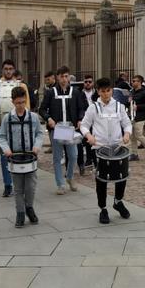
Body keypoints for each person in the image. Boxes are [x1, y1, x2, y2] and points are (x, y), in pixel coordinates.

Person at [80, 77, 133, 225]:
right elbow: (84, 125)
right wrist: (89, 135)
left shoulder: (119, 106)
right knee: (102, 179)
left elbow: (126, 123)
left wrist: (127, 133)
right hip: (100, 148)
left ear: (112, 90)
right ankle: (103, 208)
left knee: (121, 175)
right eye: (103, 91)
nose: (106, 94)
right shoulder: (93, 108)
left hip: (117, 147)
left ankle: (118, 201)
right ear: (98, 91)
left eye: (108, 91)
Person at [0, 86, 43, 228]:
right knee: (18, 188)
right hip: (15, 157)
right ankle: (20, 213)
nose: (20, 105)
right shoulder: (7, 118)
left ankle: (29, 207)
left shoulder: (33, 117)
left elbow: (39, 134)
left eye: (23, 102)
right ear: (13, 102)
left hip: (30, 156)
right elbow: (2, 136)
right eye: (18, 103)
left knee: (31, 186)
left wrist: (37, 146)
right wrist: (6, 149)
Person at [0, 60, 30, 197]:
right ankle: (7, 184)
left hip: (19, 125)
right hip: (0, 126)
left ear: (14, 70)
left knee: (19, 154)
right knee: (5, 156)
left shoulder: (21, 86)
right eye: (6, 69)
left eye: (11, 69)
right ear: (2, 70)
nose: (8, 71)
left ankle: (20, 184)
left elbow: (27, 105)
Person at [39, 66, 85, 194]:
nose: (64, 79)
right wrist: (48, 119)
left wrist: (80, 119)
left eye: (66, 76)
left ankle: (69, 177)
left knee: (73, 155)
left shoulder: (75, 92)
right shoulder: (51, 92)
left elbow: (81, 108)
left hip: (70, 128)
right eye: (61, 76)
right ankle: (60, 184)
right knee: (57, 157)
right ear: (57, 77)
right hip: (57, 128)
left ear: (69, 77)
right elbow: (42, 109)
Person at [128, 75, 145, 160]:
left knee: (138, 135)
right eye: (132, 81)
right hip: (131, 116)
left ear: (139, 82)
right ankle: (134, 154)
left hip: (140, 116)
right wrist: (128, 101)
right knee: (132, 136)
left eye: (134, 81)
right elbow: (130, 102)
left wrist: (138, 107)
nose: (132, 82)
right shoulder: (132, 91)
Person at [77, 74, 96, 173]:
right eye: (86, 82)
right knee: (87, 140)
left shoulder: (96, 93)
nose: (88, 83)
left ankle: (95, 159)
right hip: (85, 120)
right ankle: (89, 159)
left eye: (89, 81)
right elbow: (79, 108)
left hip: (96, 120)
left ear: (92, 83)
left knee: (96, 139)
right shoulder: (80, 94)